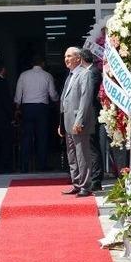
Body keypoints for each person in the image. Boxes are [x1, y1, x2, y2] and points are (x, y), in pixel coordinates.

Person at [58, 47, 94, 197]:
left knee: (82, 155)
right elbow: (65, 100)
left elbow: (85, 100)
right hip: (67, 122)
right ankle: (77, 183)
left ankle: (85, 186)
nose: (66, 59)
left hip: (78, 123)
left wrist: (79, 121)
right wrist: (61, 123)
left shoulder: (84, 74)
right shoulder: (70, 75)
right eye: (65, 56)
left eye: (69, 56)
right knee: (72, 155)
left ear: (78, 58)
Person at [13, 56, 59, 172]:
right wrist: (57, 99)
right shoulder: (47, 75)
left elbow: (18, 95)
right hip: (42, 108)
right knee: (42, 137)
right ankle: (42, 165)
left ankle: (24, 166)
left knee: (26, 137)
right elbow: (53, 95)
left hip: (27, 108)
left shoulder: (23, 75)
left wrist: (17, 107)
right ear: (42, 63)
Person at [79, 48, 104, 191]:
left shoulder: (92, 72)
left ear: (82, 59)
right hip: (89, 114)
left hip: (92, 115)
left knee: (93, 148)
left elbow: (89, 94)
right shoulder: (89, 71)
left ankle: (96, 180)